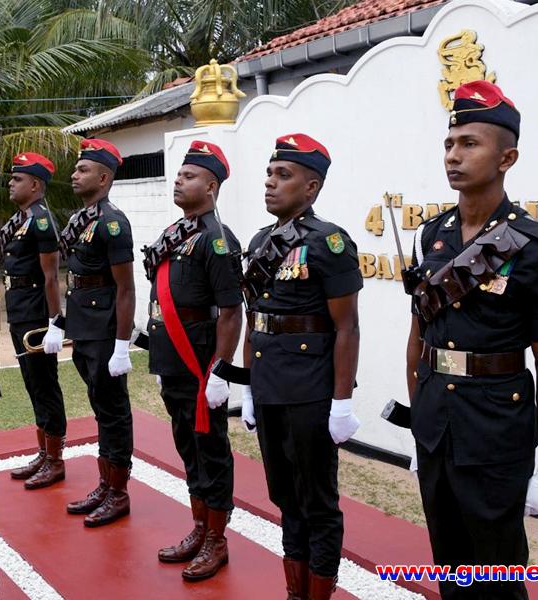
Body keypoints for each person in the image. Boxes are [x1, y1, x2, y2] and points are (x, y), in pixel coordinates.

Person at [405, 80, 538, 600]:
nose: (453, 155)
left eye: (469, 143)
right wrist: (419, 423)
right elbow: (420, 337)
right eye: (449, 144)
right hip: (436, 423)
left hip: (496, 428)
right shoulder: (432, 235)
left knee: (497, 574)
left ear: (507, 158)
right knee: (450, 566)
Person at [239, 134, 362, 600]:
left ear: (311, 187)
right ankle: (296, 591)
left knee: (317, 502)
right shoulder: (260, 242)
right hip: (269, 386)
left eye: (283, 175)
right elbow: (255, 319)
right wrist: (248, 387)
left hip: (309, 393)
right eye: (270, 173)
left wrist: (341, 402)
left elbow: (347, 327)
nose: (270, 183)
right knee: (285, 497)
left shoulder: (329, 242)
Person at [142, 140, 241, 581]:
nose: (179, 181)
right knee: (187, 445)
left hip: (199, 362)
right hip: (172, 360)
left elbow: (231, 312)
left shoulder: (217, 240)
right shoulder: (176, 232)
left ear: (211, 186)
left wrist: (220, 370)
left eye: (189, 176)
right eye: (179, 174)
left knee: (211, 450)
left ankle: (216, 539)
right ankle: (200, 527)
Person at [53, 138, 136, 527]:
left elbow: (126, 289)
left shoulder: (112, 222)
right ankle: (105, 485)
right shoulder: (81, 219)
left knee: (114, 411)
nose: (75, 174)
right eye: (76, 168)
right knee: (100, 406)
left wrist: (121, 345)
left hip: (104, 330)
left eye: (83, 169)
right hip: (85, 327)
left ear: (103, 178)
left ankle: (118, 492)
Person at [0, 152, 67, 489]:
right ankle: (44, 453)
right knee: (31, 382)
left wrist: (55, 321)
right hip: (19, 307)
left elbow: (51, 276)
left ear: (36, 185)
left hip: (36, 311)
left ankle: (55, 460)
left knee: (44, 383)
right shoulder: (21, 219)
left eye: (18, 179)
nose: (11, 184)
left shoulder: (41, 220)